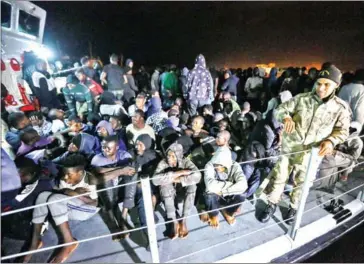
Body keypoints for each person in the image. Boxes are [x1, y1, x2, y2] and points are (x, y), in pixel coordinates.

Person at [258, 64, 351, 224]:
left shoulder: (340, 108)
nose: (321, 88)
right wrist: (286, 118)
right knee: (279, 177)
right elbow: (280, 109)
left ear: (336, 85)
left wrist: (331, 141)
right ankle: (272, 204)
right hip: (290, 148)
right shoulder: (302, 99)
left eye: (326, 84)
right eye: (319, 83)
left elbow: (343, 131)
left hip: (312, 153)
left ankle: (293, 208)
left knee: (302, 183)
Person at [23, 154, 100, 263]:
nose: (65, 177)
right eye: (65, 174)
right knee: (43, 195)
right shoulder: (64, 178)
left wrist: (76, 195)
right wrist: (66, 192)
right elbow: (59, 192)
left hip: (86, 210)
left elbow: (94, 203)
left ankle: (69, 242)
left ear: (80, 173)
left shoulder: (90, 180)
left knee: (55, 199)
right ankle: (35, 241)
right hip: (67, 206)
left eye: (69, 174)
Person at [152, 142, 201, 239]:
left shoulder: (186, 161)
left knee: (192, 186)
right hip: (169, 193)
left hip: (181, 191)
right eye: (168, 155)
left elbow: (197, 176)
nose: (169, 158)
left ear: (178, 155)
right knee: (164, 186)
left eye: (172, 156)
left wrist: (176, 179)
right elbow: (155, 180)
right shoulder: (163, 163)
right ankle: (174, 221)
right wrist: (180, 172)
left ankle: (183, 220)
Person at [90, 136, 135, 239]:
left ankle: (123, 215)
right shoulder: (97, 159)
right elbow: (99, 172)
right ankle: (115, 224)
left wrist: (119, 170)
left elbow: (131, 170)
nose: (105, 150)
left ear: (117, 147)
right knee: (105, 180)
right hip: (106, 194)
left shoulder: (124, 155)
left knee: (133, 175)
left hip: (120, 189)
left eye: (108, 148)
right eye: (103, 147)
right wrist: (121, 170)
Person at [203, 147, 248, 228]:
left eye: (221, 165)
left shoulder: (235, 165)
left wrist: (224, 192)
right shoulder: (209, 165)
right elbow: (210, 186)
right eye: (216, 164)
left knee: (242, 194)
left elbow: (243, 185)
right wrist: (232, 184)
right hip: (215, 195)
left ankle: (228, 212)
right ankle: (214, 214)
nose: (217, 167)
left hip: (224, 193)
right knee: (208, 193)